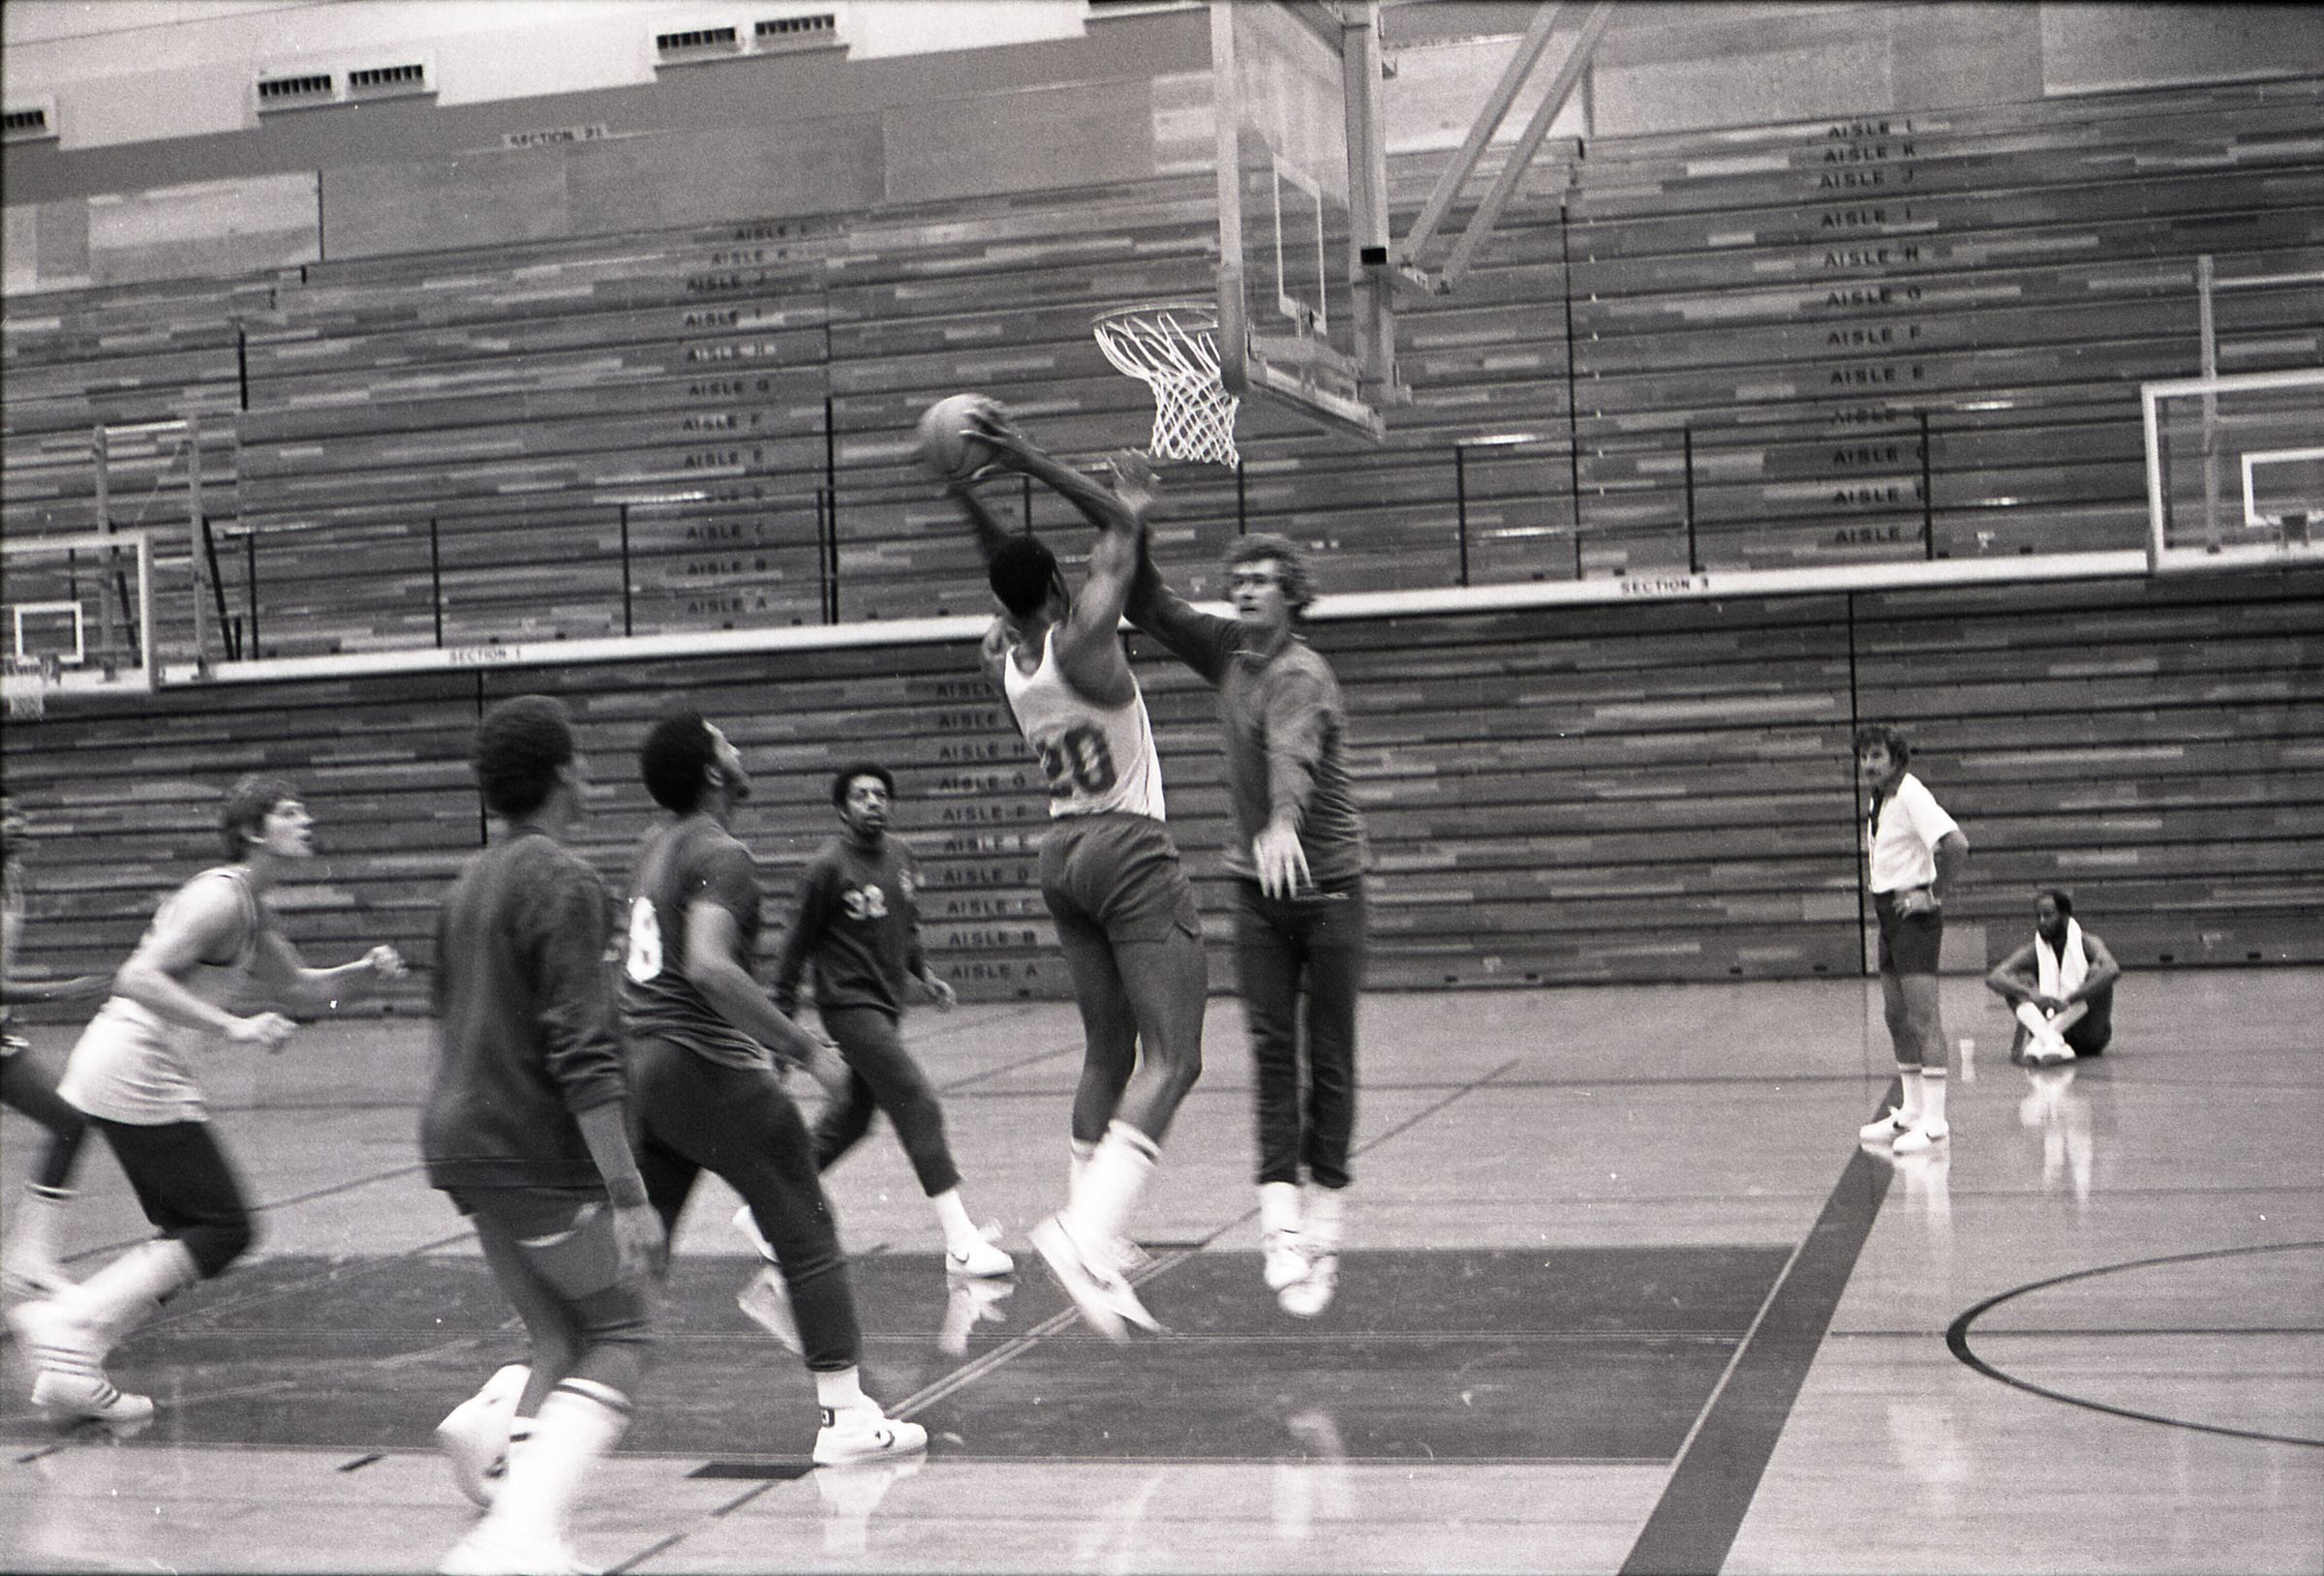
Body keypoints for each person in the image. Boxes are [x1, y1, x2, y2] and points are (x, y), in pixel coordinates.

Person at [7, 776, 406, 1427]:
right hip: (133, 1064)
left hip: (135, 1068)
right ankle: (70, 1324)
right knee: (223, 1228)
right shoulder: (219, 898)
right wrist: (233, 1027)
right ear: (252, 832)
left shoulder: (250, 906)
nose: (306, 820)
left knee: (195, 1233)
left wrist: (362, 977)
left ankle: (72, 1365)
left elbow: (304, 992)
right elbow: (136, 977)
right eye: (290, 812)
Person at [940, 410, 1207, 1342]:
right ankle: (1086, 1234)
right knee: (1175, 1056)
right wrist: (1033, 461)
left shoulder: (1006, 660)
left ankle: (1097, 1228)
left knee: (1107, 1053)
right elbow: (1119, 532)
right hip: (1128, 847)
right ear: (1059, 586)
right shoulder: (1088, 635)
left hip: (1062, 854)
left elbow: (1014, 571)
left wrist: (969, 495)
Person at [619, 710, 925, 1465]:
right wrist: (807, 1051)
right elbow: (708, 966)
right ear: (712, 772)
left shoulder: (652, 846)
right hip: (703, 1064)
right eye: (725, 741)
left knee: (639, 1260)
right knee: (804, 1224)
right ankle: (846, 1418)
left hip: (643, 1069)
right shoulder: (722, 853)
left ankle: (531, 1402)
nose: (737, 747)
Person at [422, 695, 662, 1575]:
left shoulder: (465, 886)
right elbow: (583, 1051)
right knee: (627, 1333)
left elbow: (448, 1018)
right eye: (583, 760)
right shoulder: (564, 882)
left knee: (557, 1340)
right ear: (563, 772)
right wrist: (629, 1195)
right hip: (526, 1147)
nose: (590, 774)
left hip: (462, 1144)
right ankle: (513, 1540)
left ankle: (528, 1536)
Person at [1124, 529, 1369, 1318]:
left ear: (1292, 594)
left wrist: (1285, 822)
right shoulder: (1228, 650)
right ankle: (1280, 1227)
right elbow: (1150, 606)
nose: (1247, 589)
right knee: (1270, 1051)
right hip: (1259, 890)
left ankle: (1324, 1224)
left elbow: (1292, 754)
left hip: (1328, 886)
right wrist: (1131, 520)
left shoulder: (1302, 674)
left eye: (1264, 579)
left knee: (1328, 1054)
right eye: (1239, 579)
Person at [772, 762, 1012, 1279]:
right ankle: (961, 1243)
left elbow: (906, 927)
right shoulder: (826, 868)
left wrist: (925, 974)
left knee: (853, 1120)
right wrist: (781, 1033)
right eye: (861, 796)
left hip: (886, 1006)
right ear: (842, 810)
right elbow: (792, 951)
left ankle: (768, 1210)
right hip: (849, 1009)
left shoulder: (902, 856)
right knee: (917, 1101)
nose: (873, 803)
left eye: (880, 794)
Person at [1, 797, 107, 1296]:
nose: (15, 823)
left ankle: (29, 1257)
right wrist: (58, 992)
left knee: (70, 1123)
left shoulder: (11, 876)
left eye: (17, 815)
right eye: (3, 818)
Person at [1853, 724, 1970, 1155]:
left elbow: (1956, 845)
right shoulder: (1880, 797)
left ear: (1896, 759)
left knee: (1923, 1019)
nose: (1868, 764)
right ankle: (1912, 1110)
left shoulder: (1911, 794)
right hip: (1887, 913)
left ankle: (1935, 1122)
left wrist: (1933, 895)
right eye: (1864, 756)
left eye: (1877, 756)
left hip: (1912, 917)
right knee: (1895, 1017)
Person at [1985, 888, 2120, 1066]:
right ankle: (2054, 1042)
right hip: (2049, 1022)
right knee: (2016, 983)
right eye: (2038, 916)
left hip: (2088, 1033)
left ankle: (2045, 1040)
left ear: (2065, 916)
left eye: (2048, 915)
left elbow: (2112, 969)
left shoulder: (2087, 942)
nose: (2042, 922)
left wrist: (2071, 999)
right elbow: (1995, 977)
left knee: (2097, 972)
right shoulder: (2035, 949)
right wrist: (2031, 994)